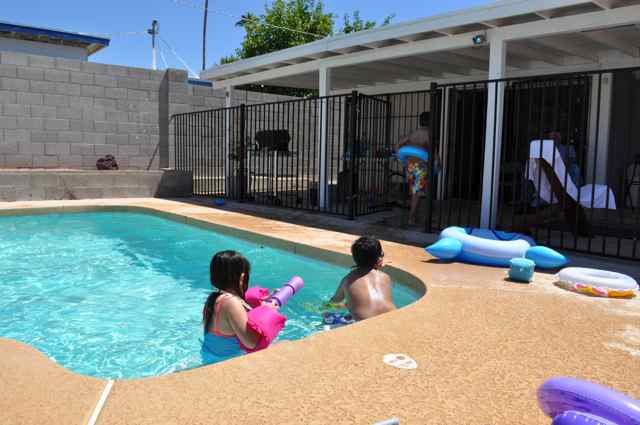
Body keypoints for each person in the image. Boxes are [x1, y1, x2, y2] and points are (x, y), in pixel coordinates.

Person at [201, 250, 275, 361]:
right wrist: (268, 312)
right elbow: (252, 343)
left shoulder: (214, 299)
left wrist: (268, 301)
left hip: (210, 358)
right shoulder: (231, 303)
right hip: (225, 363)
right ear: (242, 277)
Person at [327, 236, 396, 321]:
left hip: (366, 325)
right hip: (392, 320)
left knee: (329, 315)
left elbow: (333, 302)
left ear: (355, 258)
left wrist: (323, 308)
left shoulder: (348, 280)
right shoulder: (385, 277)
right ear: (379, 258)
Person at [396, 112, 437, 225]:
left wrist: (400, 158)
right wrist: (437, 164)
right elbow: (433, 153)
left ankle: (420, 217)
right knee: (418, 193)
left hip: (410, 165)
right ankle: (412, 218)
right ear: (430, 122)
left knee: (418, 191)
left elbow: (398, 144)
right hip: (421, 166)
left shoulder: (413, 134)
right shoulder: (428, 135)